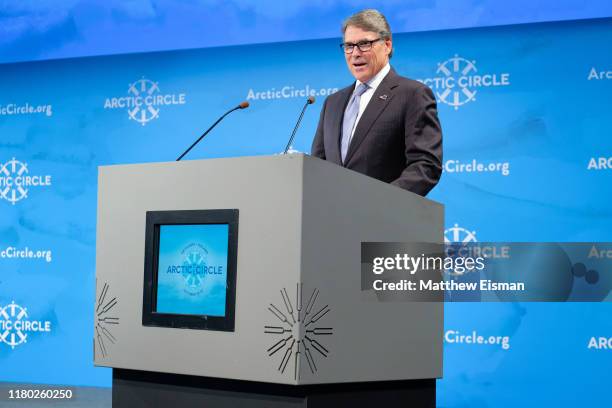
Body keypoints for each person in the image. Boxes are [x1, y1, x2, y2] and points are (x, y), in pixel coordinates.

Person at [311, 9, 442, 196]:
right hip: (335, 219)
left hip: (386, 218)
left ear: (387, 45)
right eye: (349, 46)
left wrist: (379, 201)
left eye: (364, 44)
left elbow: (426, 166)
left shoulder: (413, 94)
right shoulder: (333, 103)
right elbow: (318, 167)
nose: (355, 53)